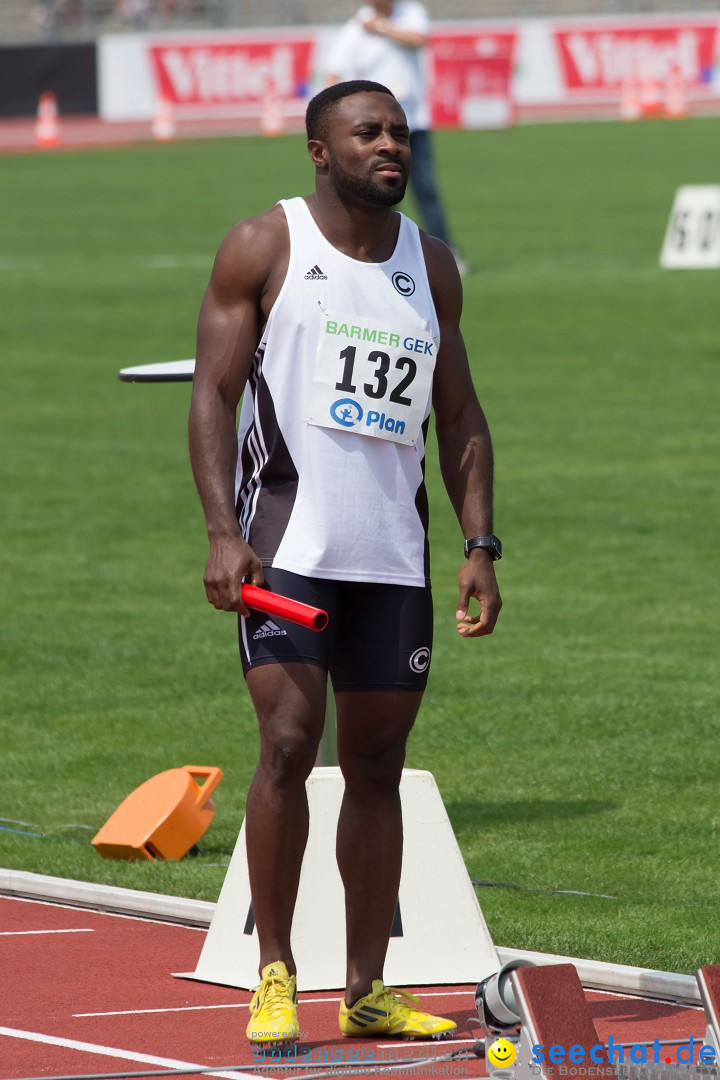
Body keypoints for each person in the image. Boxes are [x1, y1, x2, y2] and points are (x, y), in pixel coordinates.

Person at [188, 80, 502, 1048]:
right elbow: (213, 394)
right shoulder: (265, 245)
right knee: (288, 741)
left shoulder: (432, 264)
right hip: (285, 547)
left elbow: (459, 416)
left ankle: (367, 985)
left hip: (390, 558)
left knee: (377, 765)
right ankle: (274, 969)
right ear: (319, 151)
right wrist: (219, 531)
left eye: (400, 133)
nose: (391, 147)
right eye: (368, 133)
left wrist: (479, 544)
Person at [324, 1, 466, 270]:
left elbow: (418, 39)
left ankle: (446, 256)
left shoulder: (411, 13)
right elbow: (333, 75)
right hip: (373, 133)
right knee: (378, 192)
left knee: (426, 191)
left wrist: (381, 28)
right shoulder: (353, 31)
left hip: (413, 122)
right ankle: (381, 256)